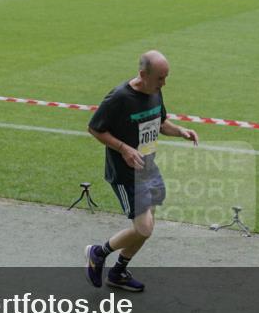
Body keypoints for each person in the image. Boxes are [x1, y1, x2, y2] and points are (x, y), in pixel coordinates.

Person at [84, 51, 198, 292]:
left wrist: (181, 132)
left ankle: (118, 272)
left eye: (166, 77)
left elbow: (160, 121)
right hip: (126, 174)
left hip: (148, 168)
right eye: (160, 78)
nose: (164, 83)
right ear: (143, 74)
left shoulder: (154, 90)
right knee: (143, 228)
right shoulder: (119, 97)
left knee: (146, 228)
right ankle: (97, 253)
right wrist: (123, 148)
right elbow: (94, 128)